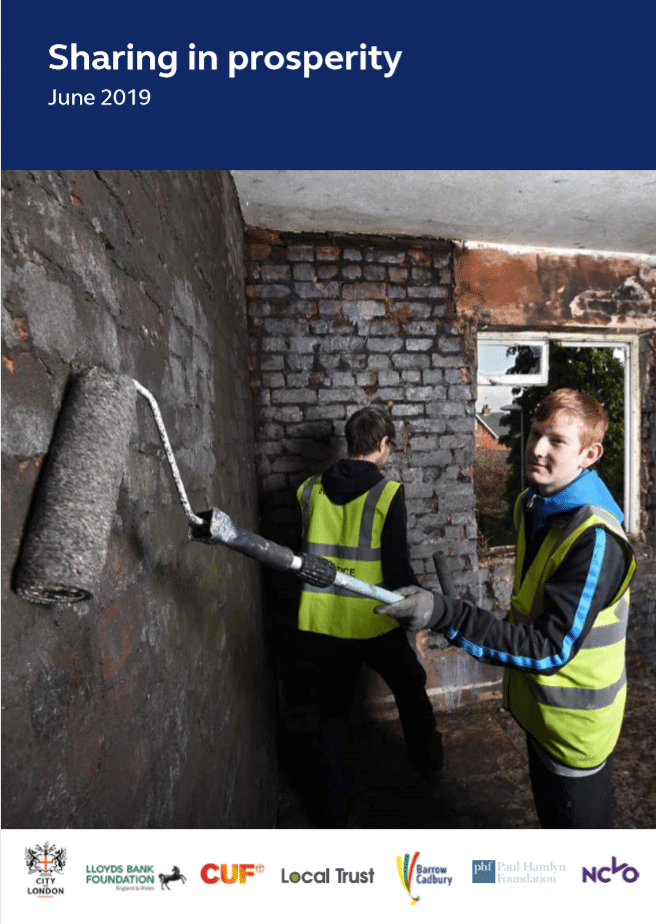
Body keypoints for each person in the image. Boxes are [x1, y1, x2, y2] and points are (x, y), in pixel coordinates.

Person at [377, 389, 636, 828]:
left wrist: (445, 614)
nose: (537, 448)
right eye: (536, 433)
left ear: (589, 454)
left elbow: (549, 648)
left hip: (576, 732)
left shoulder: (596, 539)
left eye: (556, 440)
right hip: (540, 713)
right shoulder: (533, 505)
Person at [295, 405, 444, 826]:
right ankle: (430, 762)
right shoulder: (387, 493)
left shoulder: (308, 490)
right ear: (382, 444)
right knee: (411, 687)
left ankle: (332, 811)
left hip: (322, 621)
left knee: (331, 715)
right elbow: (396, 569)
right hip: (373, 620)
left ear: (350, 442)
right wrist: (418, 608)